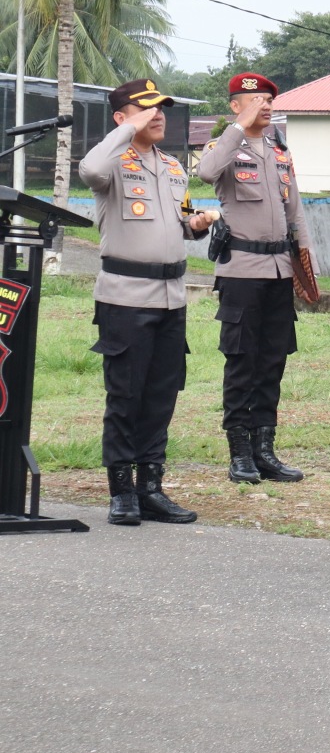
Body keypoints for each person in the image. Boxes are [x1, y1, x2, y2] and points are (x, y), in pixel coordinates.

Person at [79, 79, 215, 526]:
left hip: (171, 298)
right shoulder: (112, 163)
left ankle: (150, 488)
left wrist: (197, 223)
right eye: (146, 109)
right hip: (124, 298)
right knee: (125, 395)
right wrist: (125, 130)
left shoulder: (174, 167)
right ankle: (121, 491)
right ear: (122, 118)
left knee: (161, 395)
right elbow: (89, 167)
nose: (158, 115)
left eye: (162, 109)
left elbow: (181, 223)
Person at [197, 73, 317, 484]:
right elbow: (205, 172)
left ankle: (265, 450)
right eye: (255, 100)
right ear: (235, 106)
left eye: (268, 100)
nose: (265, 106)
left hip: (280, 270)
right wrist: (237, 130)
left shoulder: (279, 151)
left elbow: (294, 210)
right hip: (242, 273)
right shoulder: (224, 148)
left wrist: (304, 260)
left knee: (272, 361)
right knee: (242, 361)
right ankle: (240, 453)